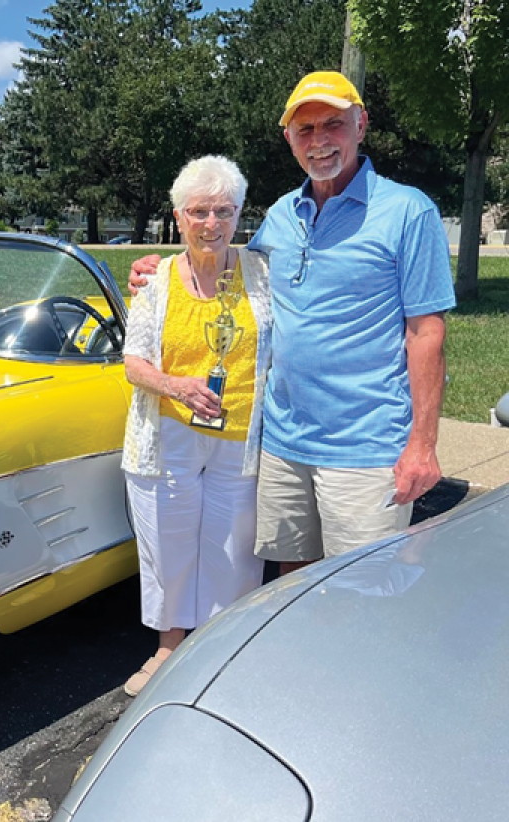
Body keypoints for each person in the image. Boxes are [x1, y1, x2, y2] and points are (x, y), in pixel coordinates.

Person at [130, 71, 454, 578]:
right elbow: (226, 268)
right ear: (289, 139)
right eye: (305, 130)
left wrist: (423, 445)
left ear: (361, 125)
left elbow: (426, 334)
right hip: (281, 444)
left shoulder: (408, 212)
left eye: (333, 124)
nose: (319, 141)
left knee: (365, 588)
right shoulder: (281, 215)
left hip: (366, 449)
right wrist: (163, 268)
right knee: (291, 587)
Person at [121, 156, 271, 697]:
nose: (212, 224)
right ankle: (168, 648)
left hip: (240, 436)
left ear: (238, 215)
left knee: (233, 551)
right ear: (179, 217)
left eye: (224, 211)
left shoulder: (261, 270)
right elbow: (134, 363)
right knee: (170, 544)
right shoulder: (155, 281)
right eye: (199, 212)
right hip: (169, 436)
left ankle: (220, 649)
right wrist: (179, 385)